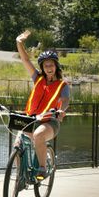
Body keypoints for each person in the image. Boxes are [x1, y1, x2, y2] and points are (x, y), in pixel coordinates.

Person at [16, 30, 71, 179]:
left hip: (50, 121)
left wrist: (61, 111)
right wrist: (19, 42)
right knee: (17, 143)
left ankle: (42, 168)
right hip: (32, 118)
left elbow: (65, 100)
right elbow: (25, 60)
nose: (49, 68)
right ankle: (19, 175)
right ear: (42, 67)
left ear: (56, 66)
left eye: (51, 65)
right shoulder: (38, 79)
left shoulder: (62, 85)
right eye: (46, 66)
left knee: (38, 135)